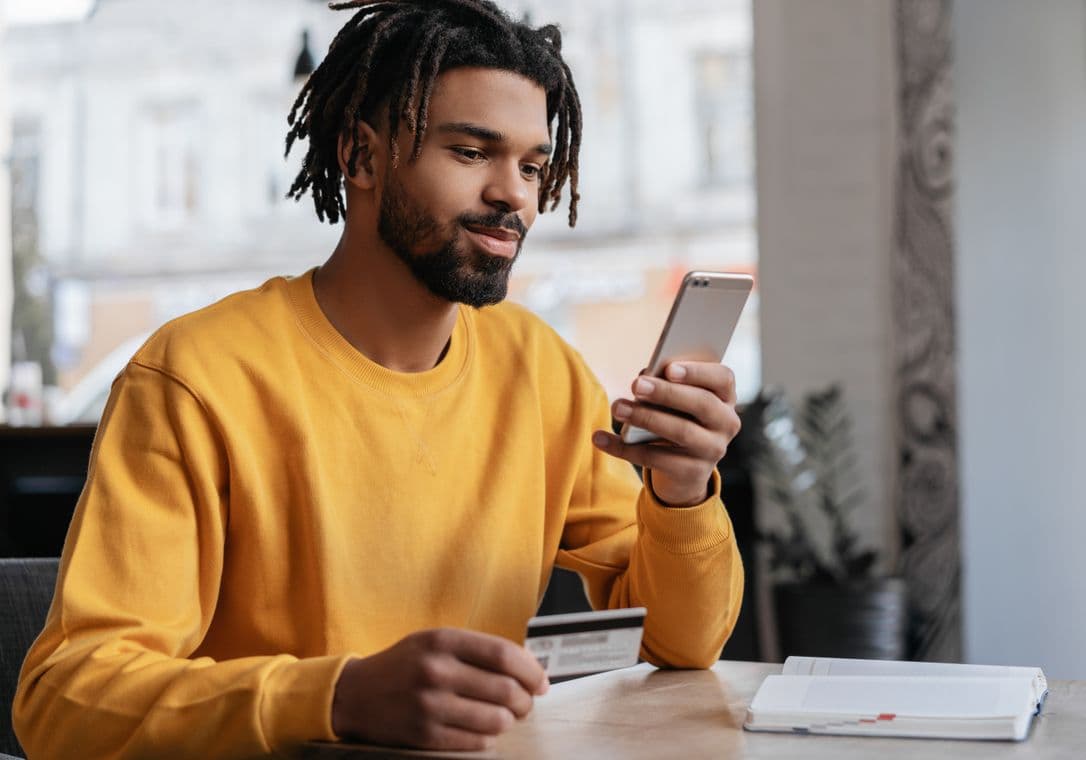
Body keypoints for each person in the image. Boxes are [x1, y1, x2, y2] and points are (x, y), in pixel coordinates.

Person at [14, 1, 745, 757]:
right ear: (362, 157)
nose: (515, 195)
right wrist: (337, 697)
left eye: (531, 165)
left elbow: (677, 641)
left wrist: (682, 491)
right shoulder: (196, 377)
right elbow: (68, 700)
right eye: (470, 152)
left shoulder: (540, 368)